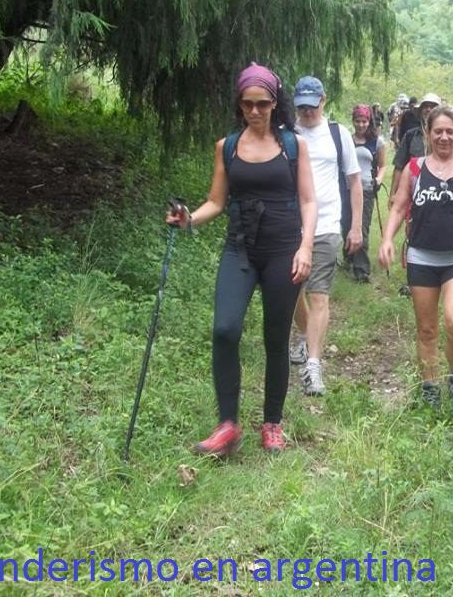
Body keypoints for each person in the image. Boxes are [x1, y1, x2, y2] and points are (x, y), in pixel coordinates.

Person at [166, 63, 317, 455]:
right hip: (240, 249)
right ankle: (228, 426)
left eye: (262, 103)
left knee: (275, 338)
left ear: (274, 102)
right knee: (225, 329)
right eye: (247, 103)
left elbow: (308, 200)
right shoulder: (227, 146)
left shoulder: (292, 145)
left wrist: (305, 247)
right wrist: (188, 220)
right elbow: (216, 201)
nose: (254, 111)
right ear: (239, 103)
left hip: (284, 251)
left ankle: (272, 422)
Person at [379, 104, 453, 413]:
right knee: (426, 329)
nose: (444, 137)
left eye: (450, 132)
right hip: (422, 257)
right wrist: (388, 239)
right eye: (438, 131)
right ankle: (429, 390)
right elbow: (400, 207)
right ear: (428, 133)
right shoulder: (415, 169)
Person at [289, 76, 364, 396]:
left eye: (312, 104)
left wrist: (356, 225)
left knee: (319, 295)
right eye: (301, 106)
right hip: (290, 225)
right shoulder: (287, 135)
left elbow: (354, 182)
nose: (307, 111)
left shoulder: (338, 134)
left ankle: (314, 367)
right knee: (293, 293)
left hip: (327, 225)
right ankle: (305, 337)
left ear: (323, 101)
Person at [348, 103, 387, 282]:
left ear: (369, 121)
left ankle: (362, 269)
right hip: (346, 189)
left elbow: (382, 165)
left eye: (364, 121)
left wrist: (379, 179)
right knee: (346, 224)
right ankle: (349, 255)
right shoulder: (347, 139)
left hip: (367, 189)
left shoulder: (377, 142)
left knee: (361, 227)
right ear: (353, 121)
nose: (361, 125)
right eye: (358, 121)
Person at [389, 92, 440, 200]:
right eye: (425, 107)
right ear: (420, 111)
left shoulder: (446, 136)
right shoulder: (410, 136)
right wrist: (393, 194)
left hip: (440, 190)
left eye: (433, 107)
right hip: (414, 190)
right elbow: (399, 165)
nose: (428, 110)